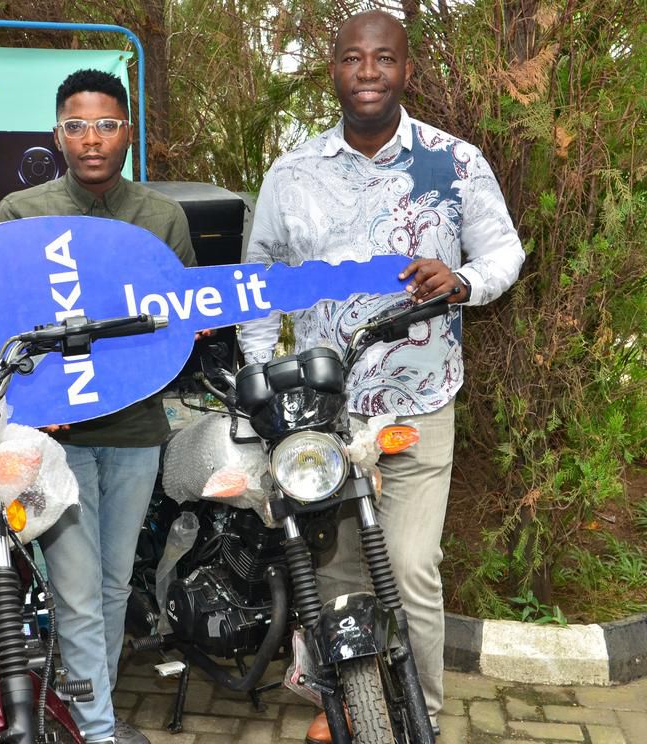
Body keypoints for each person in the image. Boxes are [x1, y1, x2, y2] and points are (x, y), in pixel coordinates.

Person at [237, 10, 525, 743]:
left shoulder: (453, 163)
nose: (369, 72)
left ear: (406, 70)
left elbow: (503, 256)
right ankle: (345, 706)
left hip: (418, 405)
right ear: (332, 69)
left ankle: (422, 715)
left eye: (384, 59)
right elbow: (260, 284)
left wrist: (459, 280)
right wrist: (262, 378)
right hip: (321, 412)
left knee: (409, 568)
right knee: (334, 576)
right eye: (353, 59)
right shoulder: (291, 173)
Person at [0, 69, 196, 744]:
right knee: (76, 594)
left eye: (107, 125)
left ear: (128, 134)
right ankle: (99, 735)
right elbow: (6, 328)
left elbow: (182, 324)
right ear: (57, 134)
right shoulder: (23, 214)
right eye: (76, 126)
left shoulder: (163, 217)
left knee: (112, 587)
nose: (92, 139)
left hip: (138, 431)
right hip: (59, 435)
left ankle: (86, 715)